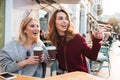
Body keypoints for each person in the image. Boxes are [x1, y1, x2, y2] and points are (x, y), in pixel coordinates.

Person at [47, 9, 103, 74]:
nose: (65, 21)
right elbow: (52, 61)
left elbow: (92, 56)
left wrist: (96, 41)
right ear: (54, 22)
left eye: (66, 18)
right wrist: (47, 58)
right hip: (63, 76)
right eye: (60, 18)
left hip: (80, 76)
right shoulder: (55, 40)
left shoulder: (77, 38)